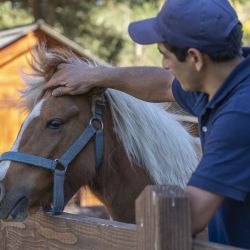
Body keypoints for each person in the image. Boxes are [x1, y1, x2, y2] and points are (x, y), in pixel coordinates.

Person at [45, 0, 250, 248]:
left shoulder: (239, 116)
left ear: (195, 57)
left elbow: (187, 216)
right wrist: (97, 76)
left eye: (165, 55)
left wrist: (107, 239)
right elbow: (163, 84)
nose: (164, 65)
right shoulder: (227, 78)